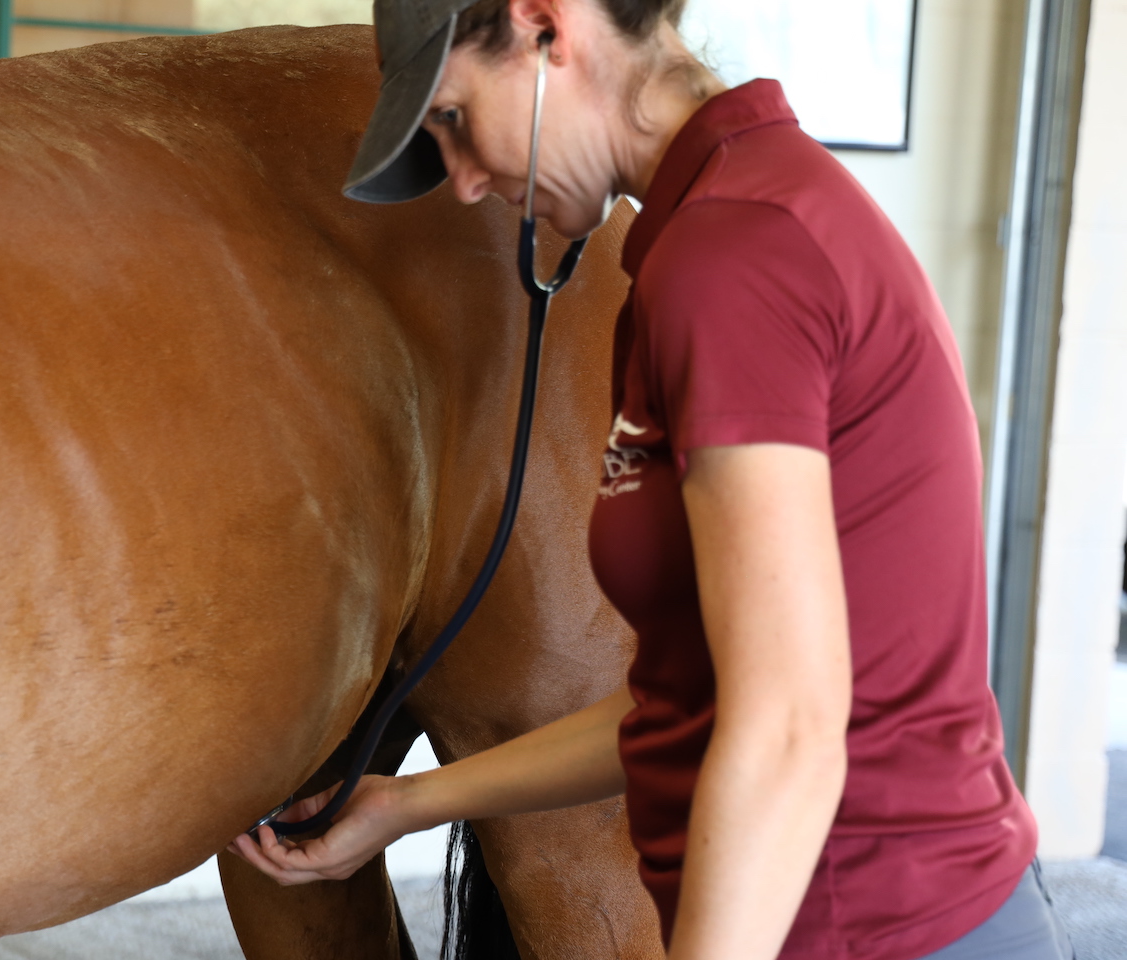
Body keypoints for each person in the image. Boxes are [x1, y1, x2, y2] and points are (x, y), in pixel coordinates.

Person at [228, 1, 1073, 957]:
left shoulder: (733, 259)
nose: (462, 183)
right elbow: (687, 697)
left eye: (457, 119)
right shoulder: (719, 226)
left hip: (870, 924)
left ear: (547, 28)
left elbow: (788, 728)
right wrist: (409, 804)